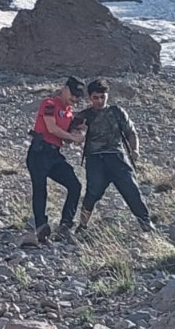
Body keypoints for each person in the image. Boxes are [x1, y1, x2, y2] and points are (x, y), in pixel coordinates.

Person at [74, 79, 154, 233]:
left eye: (102, 97)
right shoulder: (83, 116)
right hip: (95, 159)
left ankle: (146, 222)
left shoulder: (117, 112)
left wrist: (135, 150)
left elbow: (131, 133)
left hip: (117, 157)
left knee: (131, 189)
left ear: (107, 96)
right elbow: (74, 136)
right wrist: (79, 134)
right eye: (95, 97)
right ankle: (82, 225)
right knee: (93, 192)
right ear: (90, 97)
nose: (99, 101)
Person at [26, 76, 87, 242]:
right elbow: (51, 128)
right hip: (39, 152)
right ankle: (41, 227)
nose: (74, 99)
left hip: (54, 154)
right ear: (65, 89)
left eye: (77, 97)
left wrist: (77, 134)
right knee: (40, 189)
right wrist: (73, 137)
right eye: (73, 94)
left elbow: (65, 137)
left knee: (74, 185)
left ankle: (65, 225)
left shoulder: (68, 113)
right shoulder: (50, 104)